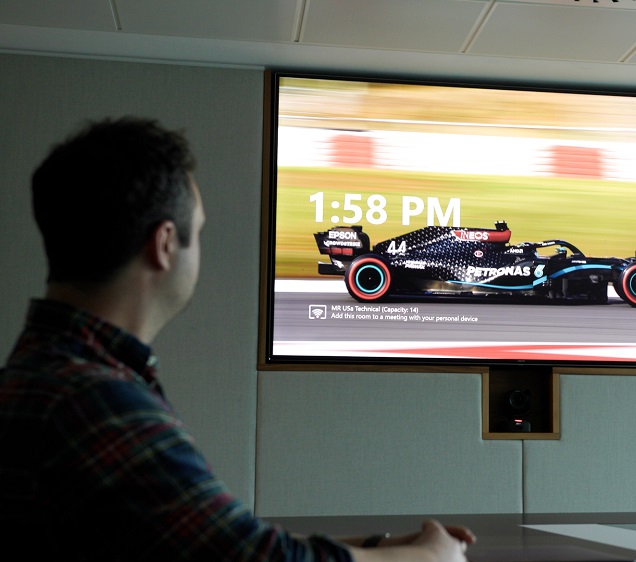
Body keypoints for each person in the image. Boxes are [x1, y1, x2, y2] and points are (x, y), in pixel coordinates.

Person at [0, 117, 475, 561]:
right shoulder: (95, 400)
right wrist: (429, 555)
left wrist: (382, 547)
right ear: (164, 244)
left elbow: (211, 539)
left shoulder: (53, 377)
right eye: (200, 232)